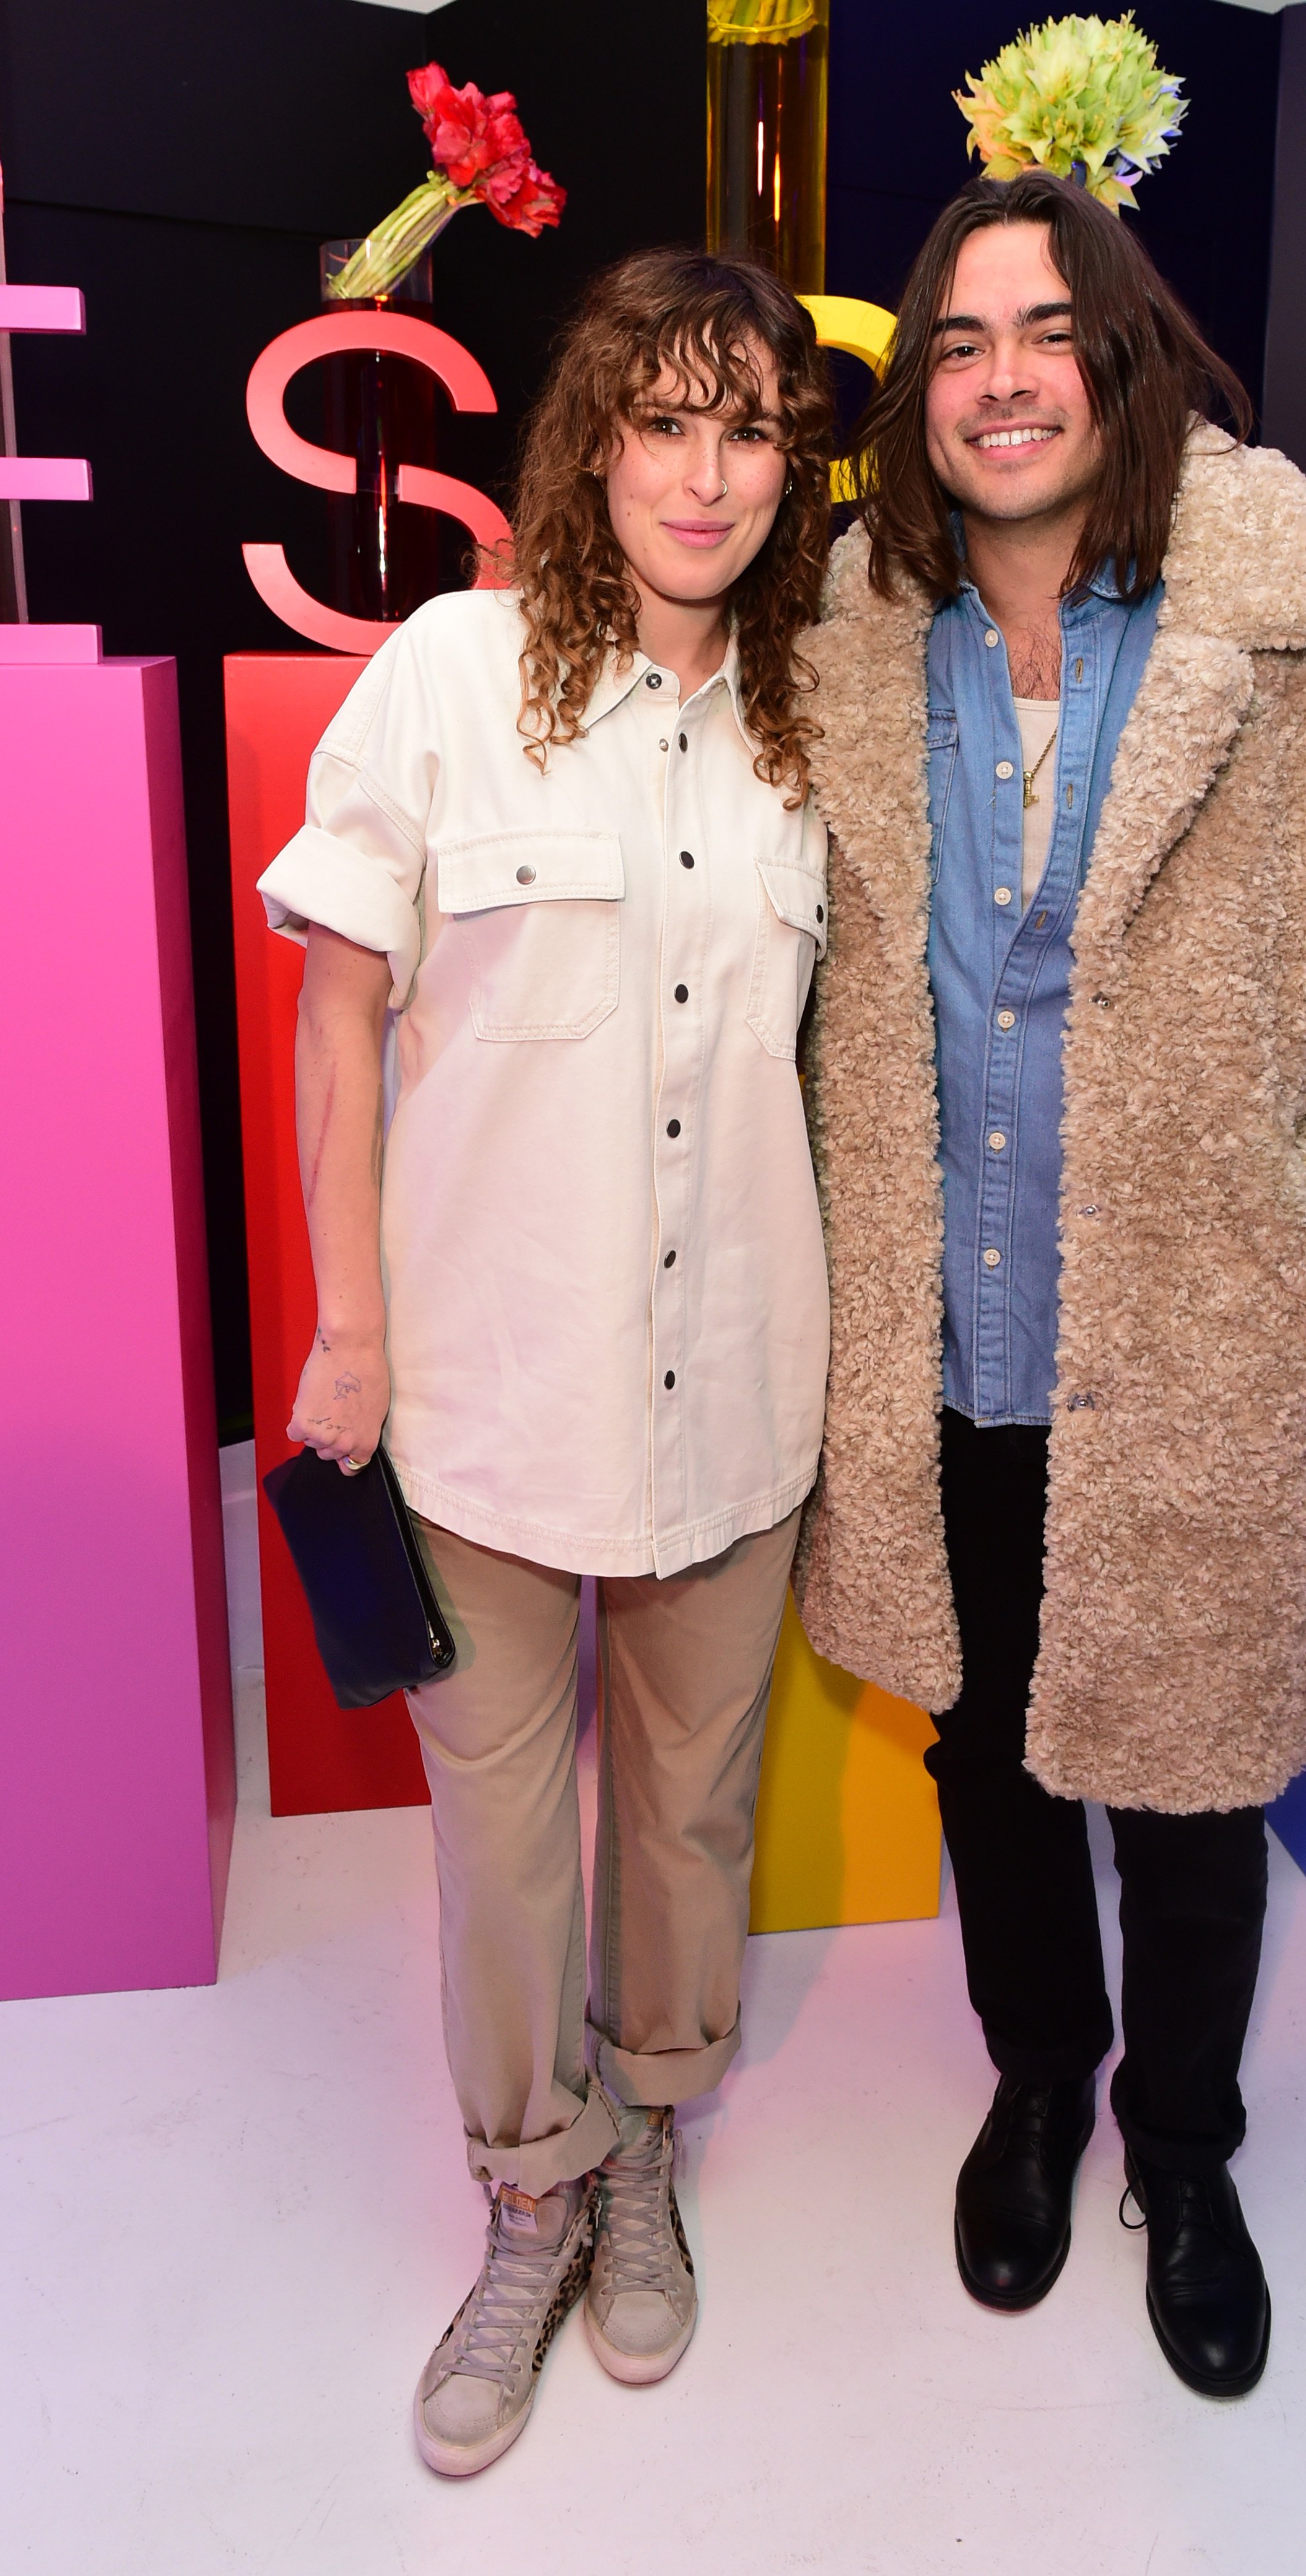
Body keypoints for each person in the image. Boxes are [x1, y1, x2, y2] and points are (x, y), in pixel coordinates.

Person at [794, 171, 1306, 2398]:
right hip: (937, 1331)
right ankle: (1039, 2078)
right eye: (958, 342)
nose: (1001, 378)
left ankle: (1184, 2148)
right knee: (988, 1752)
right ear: (917, 394)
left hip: (1196, 1332)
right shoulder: (837, 636)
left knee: (1199, 1781)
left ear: (1124, 355)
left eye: (1046, 332)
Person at [256, 248, 835, 2476]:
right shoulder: (451, 668)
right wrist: (353, 1325)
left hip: (735, 1383)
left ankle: (653, 2145)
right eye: (666, 419)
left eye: (751, 428)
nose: (707, 469)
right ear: (597, 437)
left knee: (688, 1808)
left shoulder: (806, 726)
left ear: (792, 466)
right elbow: (338, 1010)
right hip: (487, 1397)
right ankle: (530, 2185)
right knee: (501, 1837)